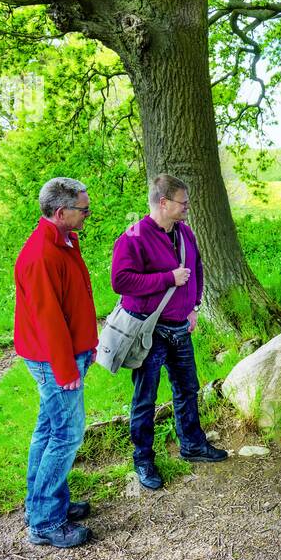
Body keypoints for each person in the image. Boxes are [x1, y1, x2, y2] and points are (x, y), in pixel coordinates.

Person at [112, 174, 227, 490]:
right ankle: (143, 461)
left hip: (180, 329)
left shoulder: (185, 232)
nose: (187, 207)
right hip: (149, 332)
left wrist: (195, 307)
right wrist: (166, 278)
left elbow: (197, 270)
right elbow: (120, 281)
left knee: (187, 388)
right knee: (145, 398)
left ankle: (191, 444)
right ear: (163, 203)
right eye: (183, 202)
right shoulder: (133, 237)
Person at [14, 177, 98, 548]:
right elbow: (48, 319)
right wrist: (66, 369)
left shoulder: (65, 241)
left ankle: (45, 505)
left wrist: (88, 344)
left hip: (69, 354)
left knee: (48, 431)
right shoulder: (40, 255)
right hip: (53, 361)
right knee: (67, 434)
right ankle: (45, 522)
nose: (88, 214)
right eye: (83, 209)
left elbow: (74, 302)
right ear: (61, 213)